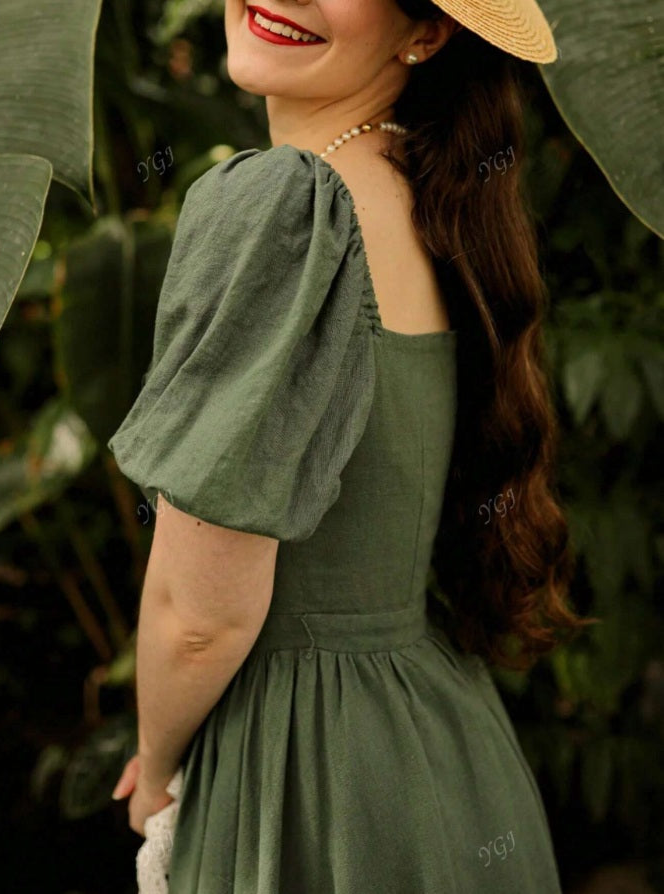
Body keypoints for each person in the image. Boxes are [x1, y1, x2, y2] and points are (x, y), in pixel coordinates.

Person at [108, 0, 595, 891]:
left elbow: (201, 618)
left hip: (306, 776)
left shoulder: (282, 208)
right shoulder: (435, 196)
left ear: (426, 32)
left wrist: (156, 770)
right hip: (444, 755)